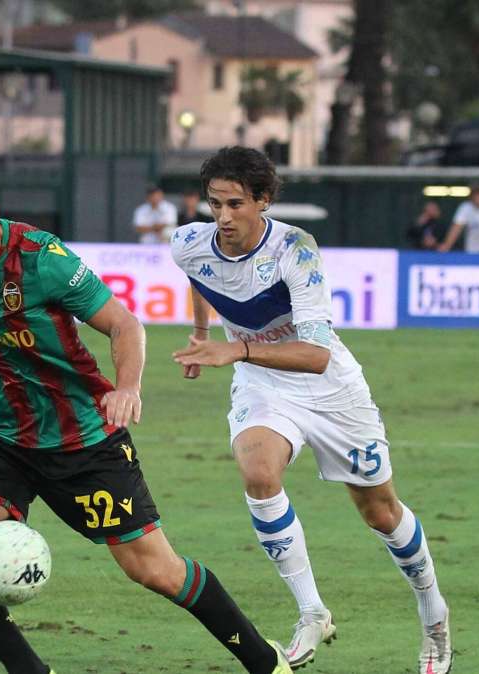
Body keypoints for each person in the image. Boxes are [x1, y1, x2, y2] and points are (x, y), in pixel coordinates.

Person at [0, 151, 292, 674]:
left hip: (83, 442)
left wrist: (128, 386)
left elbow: (124, 325)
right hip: (0, 438)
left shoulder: (43, 260)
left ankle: (265, 662)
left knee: (156, 571)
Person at [170, 146, 452, 674]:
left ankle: (432, 608)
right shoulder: (187, 243)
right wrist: (203, 332)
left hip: (330, 389)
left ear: (264, 201)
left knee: (380, 512)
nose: (224, 217)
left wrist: (234, 348)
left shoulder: (296, 250)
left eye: (235, 204)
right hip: (261, 384)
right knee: (257, 470)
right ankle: (311, 611)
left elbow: (317, 355)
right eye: (215, 204)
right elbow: (199, 277)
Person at [437, 182, 479, 253]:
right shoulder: (465, 207)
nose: (477, 197)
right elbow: (456, 228)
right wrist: (447, 245)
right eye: (474, 195)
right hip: (472, 250)